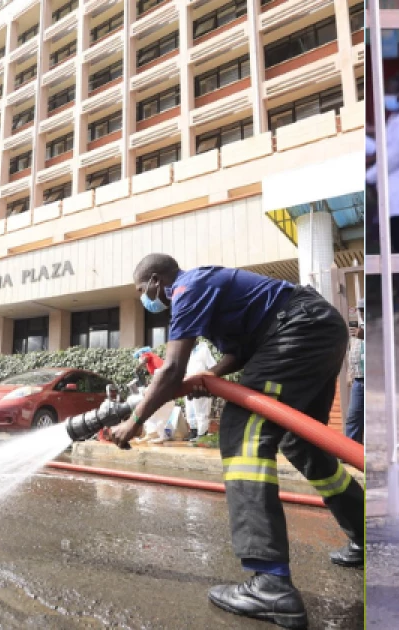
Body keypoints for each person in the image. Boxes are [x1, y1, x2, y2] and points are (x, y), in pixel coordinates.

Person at [109, 255, 365, 628]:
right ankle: (365, 533)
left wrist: (134, 422)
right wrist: (210, 376)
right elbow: (240, 352)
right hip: (318, 328)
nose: (144, 299)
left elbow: (171, 368)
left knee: (242, 433)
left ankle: (270, 583)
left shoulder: (186, 288)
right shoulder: (208, 292)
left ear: (153, 281)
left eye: (141, 291)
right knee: (302, 442)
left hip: (299, 328)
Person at [366, 74, 399, 312]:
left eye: (391, 91)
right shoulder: (394, 121)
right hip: (391, 196)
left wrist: (368, 176)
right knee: (396, 246)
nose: (387, 97)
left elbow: (393, 158)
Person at [183, 340, 218, 441]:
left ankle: (202, 434)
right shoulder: (188, 352)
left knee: (201, 410)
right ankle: (193, 431)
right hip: (189, 385)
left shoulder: (203, 349)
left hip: (201, 385)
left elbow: (212, 366)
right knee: (190, 410)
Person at [344, 300, 364, 444]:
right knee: (353, 416)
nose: (361, 312)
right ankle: (350, 452)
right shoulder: (359, 329)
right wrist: (350, 372)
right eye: (359, 310)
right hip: (358, 378)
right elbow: (353, 351)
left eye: (363, 309)